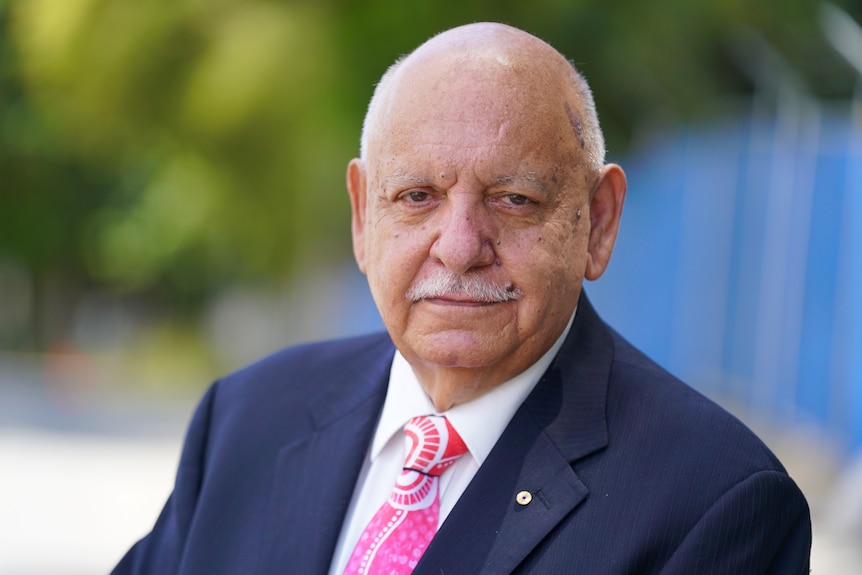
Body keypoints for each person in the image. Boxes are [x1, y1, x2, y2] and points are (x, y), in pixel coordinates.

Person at [113, 22, 811, 575]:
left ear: (597, 222)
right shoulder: (244, 421)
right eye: (417, 197)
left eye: (513, 199)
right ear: (362, 216)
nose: (459, 245)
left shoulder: (715, 504)